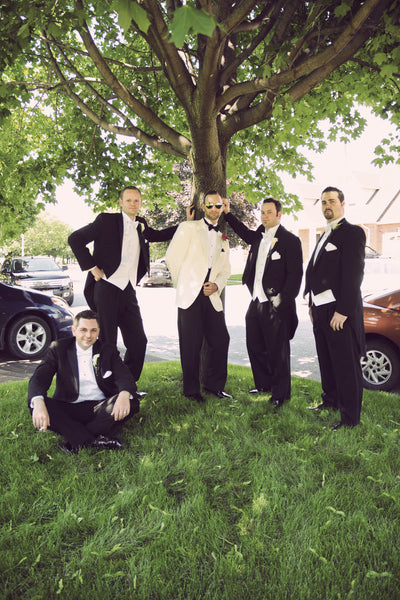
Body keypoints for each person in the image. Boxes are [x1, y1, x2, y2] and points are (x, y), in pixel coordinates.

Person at [68, 186, 192, 385]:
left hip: (128, 290)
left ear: (141, 202)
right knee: (108, 341)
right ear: (121, 202)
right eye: (128, 200)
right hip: (106, 287)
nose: (133, 204)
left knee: (138, 341)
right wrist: (92, 268)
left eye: (136, 200)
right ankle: (106, 388)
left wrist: (186, 223)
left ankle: (127, 386)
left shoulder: (141, 224)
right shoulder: (106, 221)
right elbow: (75, 239)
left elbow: (158, 235)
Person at [223, 197, 303, 407]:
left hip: (276, 304)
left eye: (269, 212)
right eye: (263, 212)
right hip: (256, 300)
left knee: (278, 351)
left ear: (279, 215)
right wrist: (228, 214)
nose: (265, 216)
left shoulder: (290, 241)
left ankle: (281, 394)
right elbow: (243, 232)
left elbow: (295, 277)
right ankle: (264, 384)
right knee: (254, 344)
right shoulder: (259, 235)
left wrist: (280, 303)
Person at [28, 309, 140, 453]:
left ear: (98, 331)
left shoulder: (108, 350)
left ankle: (75, 440)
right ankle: (93, 440)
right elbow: (39, 377)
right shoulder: (59, 348)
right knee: (35, 403)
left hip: (100, 407)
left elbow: (125, 376)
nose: (88, 335)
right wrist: (38, 402)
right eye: (83, 330)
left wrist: (124, 394)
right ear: (74, 330)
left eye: (93, 330)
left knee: (132, 401)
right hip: (68, 406)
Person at [304, 186, 366, 429]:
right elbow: (316, 270)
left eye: (331, 201)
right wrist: (311, 303)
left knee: (346, 366)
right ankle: (330, 400)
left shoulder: (353, 233)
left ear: (342, 203)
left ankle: (350, 419)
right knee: (327, 360)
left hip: (339, 312)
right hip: (320, 309)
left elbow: (354, 274)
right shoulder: (324, 234)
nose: (327, 205)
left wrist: (343, 311)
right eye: (323, 202)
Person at [165, 191, 231, 403]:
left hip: (211, 294)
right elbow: (172, 258)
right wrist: (184, 284)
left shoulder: (223, 238)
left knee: (221, 340)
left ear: (223, 207)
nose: (214, 209)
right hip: (190, 295)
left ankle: (215, 386)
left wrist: (217, 285)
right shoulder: (188, 227)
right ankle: (191, 390)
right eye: (210, 205)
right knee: (190, 344)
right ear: (203, 207)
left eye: (218, 205)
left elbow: (226, 270)